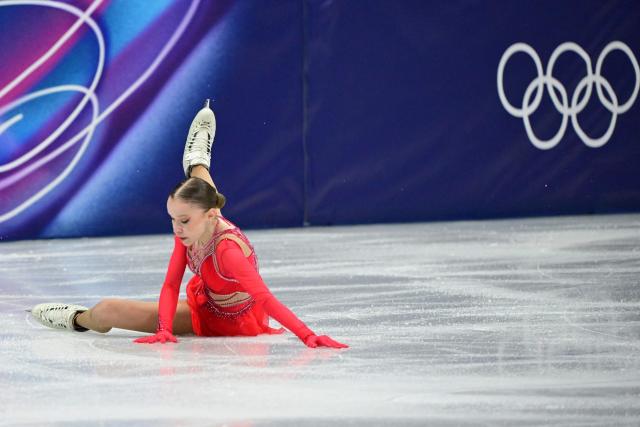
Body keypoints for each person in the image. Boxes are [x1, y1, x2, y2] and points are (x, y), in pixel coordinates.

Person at [30, 100, 348, 349]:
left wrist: (308, 336)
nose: (176, 228)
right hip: (207, 278)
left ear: (208, 218)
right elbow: (171, 283)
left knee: (107, 310)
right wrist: (164, 329)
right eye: (172, 219)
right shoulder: (190, 228)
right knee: (203, 197)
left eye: (182, 221)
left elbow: (265, 298)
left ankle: (76, 319)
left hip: (230, 321)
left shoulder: (228, 253)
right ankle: (197, 161)